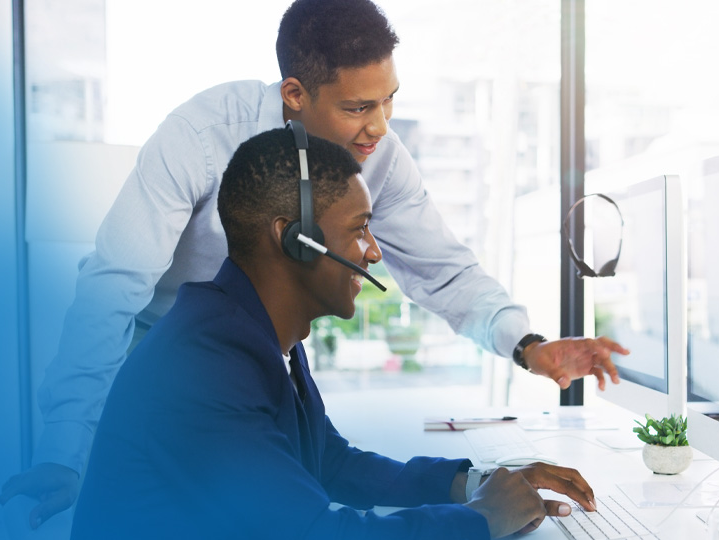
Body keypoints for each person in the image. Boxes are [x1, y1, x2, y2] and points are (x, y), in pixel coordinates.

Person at [0, 0, 627, 529]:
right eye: (359, 107)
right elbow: (113, 286)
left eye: (389, 101)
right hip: (177, 352)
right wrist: (65, 448)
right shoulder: (200, 136)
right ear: (294, 95)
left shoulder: (285, 336)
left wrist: (523, 359)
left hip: (259, 326)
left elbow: (441, 270)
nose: (379, 127)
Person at [70, 127, 597, 539]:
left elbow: (330, 462)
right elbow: (315, 534)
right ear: (296, 240)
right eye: (359, 228)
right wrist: (481, 521)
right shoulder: (207, 364)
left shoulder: (256, 336)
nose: (373, 251)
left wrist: (477, 484)